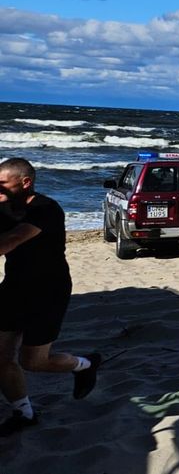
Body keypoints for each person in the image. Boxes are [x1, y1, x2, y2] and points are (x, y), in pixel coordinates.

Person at [0, 158, 101, 436]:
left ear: (25, 183)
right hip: (14, 286)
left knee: (32, 361)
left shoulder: (45, 209)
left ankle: (85, 365)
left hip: (48, 290)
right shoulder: (4, 207)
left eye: (2, 184)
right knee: (1, 356)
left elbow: (10, 241)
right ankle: (24, 413)